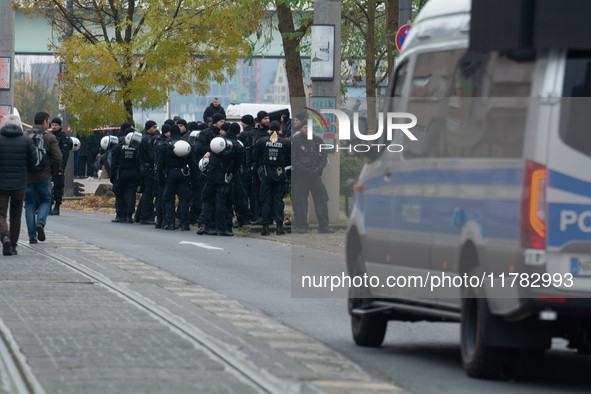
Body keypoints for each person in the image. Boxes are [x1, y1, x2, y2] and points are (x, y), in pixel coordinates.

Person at [0, 114, 38, 256]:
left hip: (1, 184)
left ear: (5, 125)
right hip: (20, 183)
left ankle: (4, 236)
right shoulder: (26, 140)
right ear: (19, 125)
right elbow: (33, 162)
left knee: (0, 213)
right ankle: (13, 245)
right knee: (16, 215)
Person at [24, 112, 62, 244]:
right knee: (46, 200)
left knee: (29, 204)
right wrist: (52, 172)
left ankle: (32, 236)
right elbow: (58, 158)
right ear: (45, 122)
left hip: (28, 177)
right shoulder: (50, 137)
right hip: (44, 176)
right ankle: (40, 222)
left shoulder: (25, 136)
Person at [291, 122, 335, 234]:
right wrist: (303, 169)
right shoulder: (296, 141)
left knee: (321, 200)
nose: (307, 129)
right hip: (301, 176)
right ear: (301, 128)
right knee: (300, 202)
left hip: (315, 175)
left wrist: (318, 168)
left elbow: (324, 157)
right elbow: (293, 159)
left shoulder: (318, 140)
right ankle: (301, 226)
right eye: (305, 127)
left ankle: (324, 226)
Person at [196, 124, 236, 236]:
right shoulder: (231, 146)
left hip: (211, 175)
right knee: (221, 202)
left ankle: (204, 225)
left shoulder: (215, 143)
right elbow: (236, 163)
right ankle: (221, 228)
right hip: (223, 177)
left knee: (208, 200)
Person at [157, 125, 199, 231]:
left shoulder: (166, 145)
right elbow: (193, 164)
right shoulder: (186, 144)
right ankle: (184, 223)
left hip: (170, 174)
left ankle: (170, 223)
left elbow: (160, 164)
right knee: (184, 200)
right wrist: (195, 179)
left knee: (169, 199)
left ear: (170, 133)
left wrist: (161, 179)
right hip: (184, 174)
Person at [254, 120, 290, 236]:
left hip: (266, 173)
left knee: (266, 200)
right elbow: (290, 157)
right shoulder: (285, 142)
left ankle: (265, 227)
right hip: (279, 173)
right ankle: (279, 227)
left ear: (269, 129)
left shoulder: (262, 141)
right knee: (278, 200)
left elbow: (256, 156)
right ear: (280, 129)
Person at [195, 113, 226, 234]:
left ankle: (213, 224)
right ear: (215, 122)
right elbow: (198, 148)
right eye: (221, 121)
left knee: (217, 199)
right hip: (209, 170)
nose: (222, 124)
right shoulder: (206, 133)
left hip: (219, 170)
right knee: (208, 198)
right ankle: (204, 224)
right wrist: (211, 150)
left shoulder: (223, 134)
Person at [110, 126, 141, 223]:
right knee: (131, 194)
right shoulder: (137, 147)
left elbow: (113, 162)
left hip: (121, 173)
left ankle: (120, 215)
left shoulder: (118, 146)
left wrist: (112, 175)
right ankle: (129, 215)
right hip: (134, 173)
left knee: (119, 193)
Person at [225, 123, 251, 227]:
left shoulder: (224, 141)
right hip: (236, 174)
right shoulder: (238, 144)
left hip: (224, 173)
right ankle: (244, 218)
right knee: (240, 197)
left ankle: (230, 220)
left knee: (227, 197)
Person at [249, 111, 271, 224]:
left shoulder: (271, 133)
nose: (267, 121)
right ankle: (256, 216)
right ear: (259, 120)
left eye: (268, 118)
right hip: (256, 166)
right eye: (265, 118)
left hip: (267, 167)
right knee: (255, 192)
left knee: (266, 193)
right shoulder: (253, 133)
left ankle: (266, 217)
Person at [136, 120, 159, 225]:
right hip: (148, 169)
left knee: (146, 192)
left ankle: (139, 215)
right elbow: (152, 156)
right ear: (149, 128)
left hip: (143, 168)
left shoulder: (143, 137)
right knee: (148, 193)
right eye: (154, 127)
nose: (156, 129)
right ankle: (146, 216)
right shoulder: (148, 140)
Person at [49, 117, 72, 216]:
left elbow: (65, 154)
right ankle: (49, 205)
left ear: (60, 126)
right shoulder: (49, 136)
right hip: (49, 165)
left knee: (58, 186)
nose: (54, 127)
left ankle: (57, 205)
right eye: (52, 125)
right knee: (48, 186)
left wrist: (61, 166)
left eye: (56, 125)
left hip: (58, 165)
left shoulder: (64, 137)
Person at [238, 115, 256, 225]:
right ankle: (254, 216)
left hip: (244, 167)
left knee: (243, 194)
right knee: (254, 195)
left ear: (246, 123)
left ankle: (243, 217)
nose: (241, 124)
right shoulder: (256, 133)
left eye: (242, 122)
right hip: (255, 168)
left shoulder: (242, 135)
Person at [153, 124, 171, 228]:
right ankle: (164, 219)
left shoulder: (156, 141)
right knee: (164, 196)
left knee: (159, 196)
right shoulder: (166, 143)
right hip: (165, 172)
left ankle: (159, 219)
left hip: (158, 171)